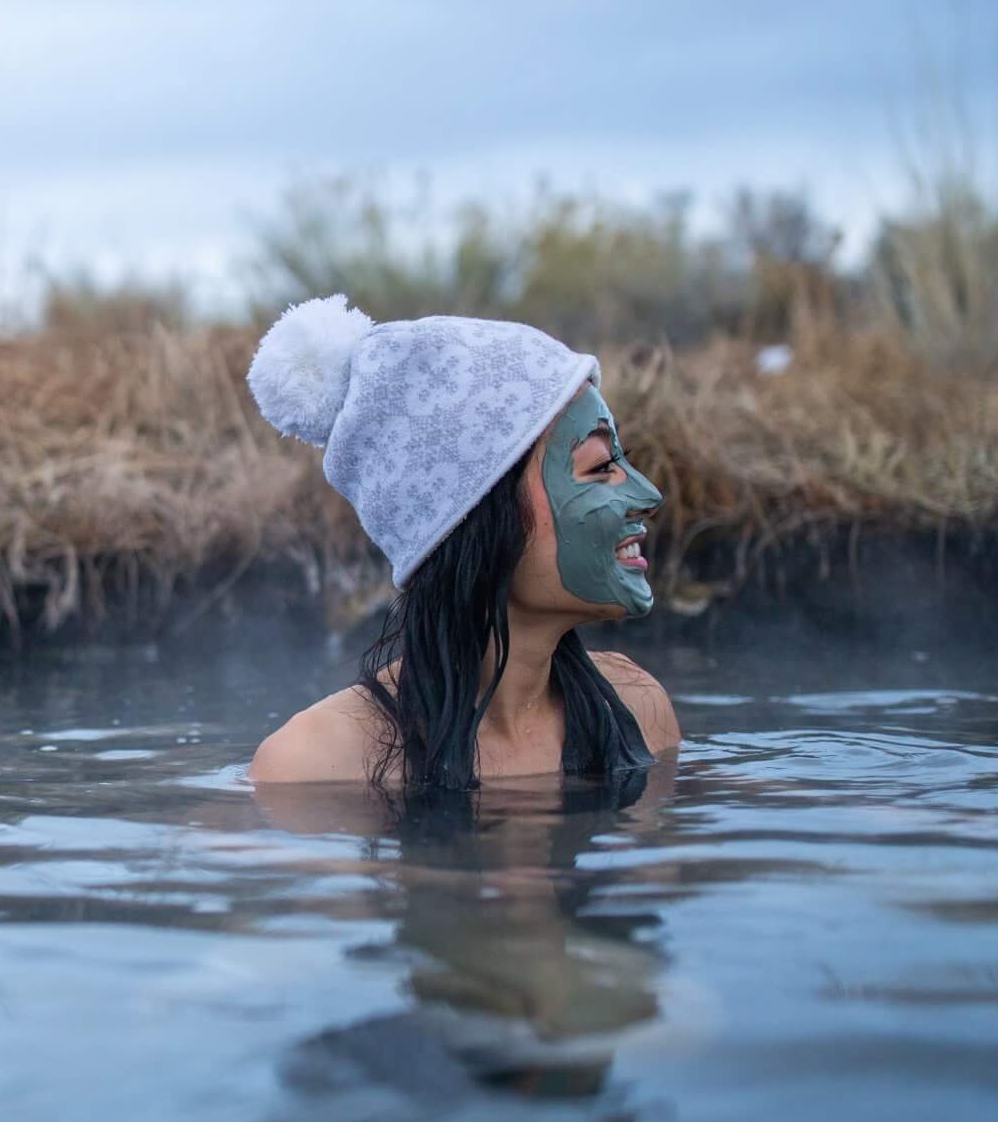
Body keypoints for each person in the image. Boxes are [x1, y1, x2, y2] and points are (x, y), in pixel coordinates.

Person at [243, 297, 682, 793]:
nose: (647, 495)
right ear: (477, 516)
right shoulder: (314, 765)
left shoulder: (635, 708)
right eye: (601, 467)